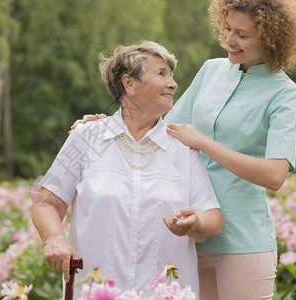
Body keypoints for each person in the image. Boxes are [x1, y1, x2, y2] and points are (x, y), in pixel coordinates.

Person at [71, 1, 296, 299]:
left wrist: (204, 143)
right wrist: (111, 122)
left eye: (242, 35)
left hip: (244, 241)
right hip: (190, 238)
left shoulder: (285, 93)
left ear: (273, 38)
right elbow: (163, 128)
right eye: (226, 29)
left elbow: (275, 176)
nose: (229, 40)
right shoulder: (211, 70)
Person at [31, 41, 224, 298]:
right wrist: (54, 238)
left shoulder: (183, 147)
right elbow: (46, 202)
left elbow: (213, 217)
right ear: (129, 84)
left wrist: (195, 223)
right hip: (96, 292)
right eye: (161, 73)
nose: (173, 84)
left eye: (171, 75)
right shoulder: (85, 137)